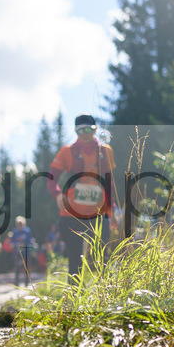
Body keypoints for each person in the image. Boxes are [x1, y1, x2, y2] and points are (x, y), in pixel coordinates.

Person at [47, 114, 120, 277]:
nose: (85, 134)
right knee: (75, 260)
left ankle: (104, 296)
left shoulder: (106, 151)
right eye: (81, 131)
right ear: (75, 132)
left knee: (102, 257)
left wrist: (112, 209)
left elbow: (109, 183)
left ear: (95, 130)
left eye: (89, 129)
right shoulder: (66, 152)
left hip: (98, 213)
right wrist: (58, 195)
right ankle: (74, 298)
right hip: (70, 213)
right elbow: (51, 179)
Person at [8, 216, 34, 285]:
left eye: (21, 224)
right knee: (17, 266)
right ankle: (16, 281)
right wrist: (12, 244)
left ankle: (27, 281)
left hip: (26, 251)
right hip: (17, 252)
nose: (19, 226)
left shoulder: (27, 231)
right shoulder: (14, 231)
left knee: (27, 266)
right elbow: (12, 241)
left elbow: (30, 240)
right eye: (18, 224)